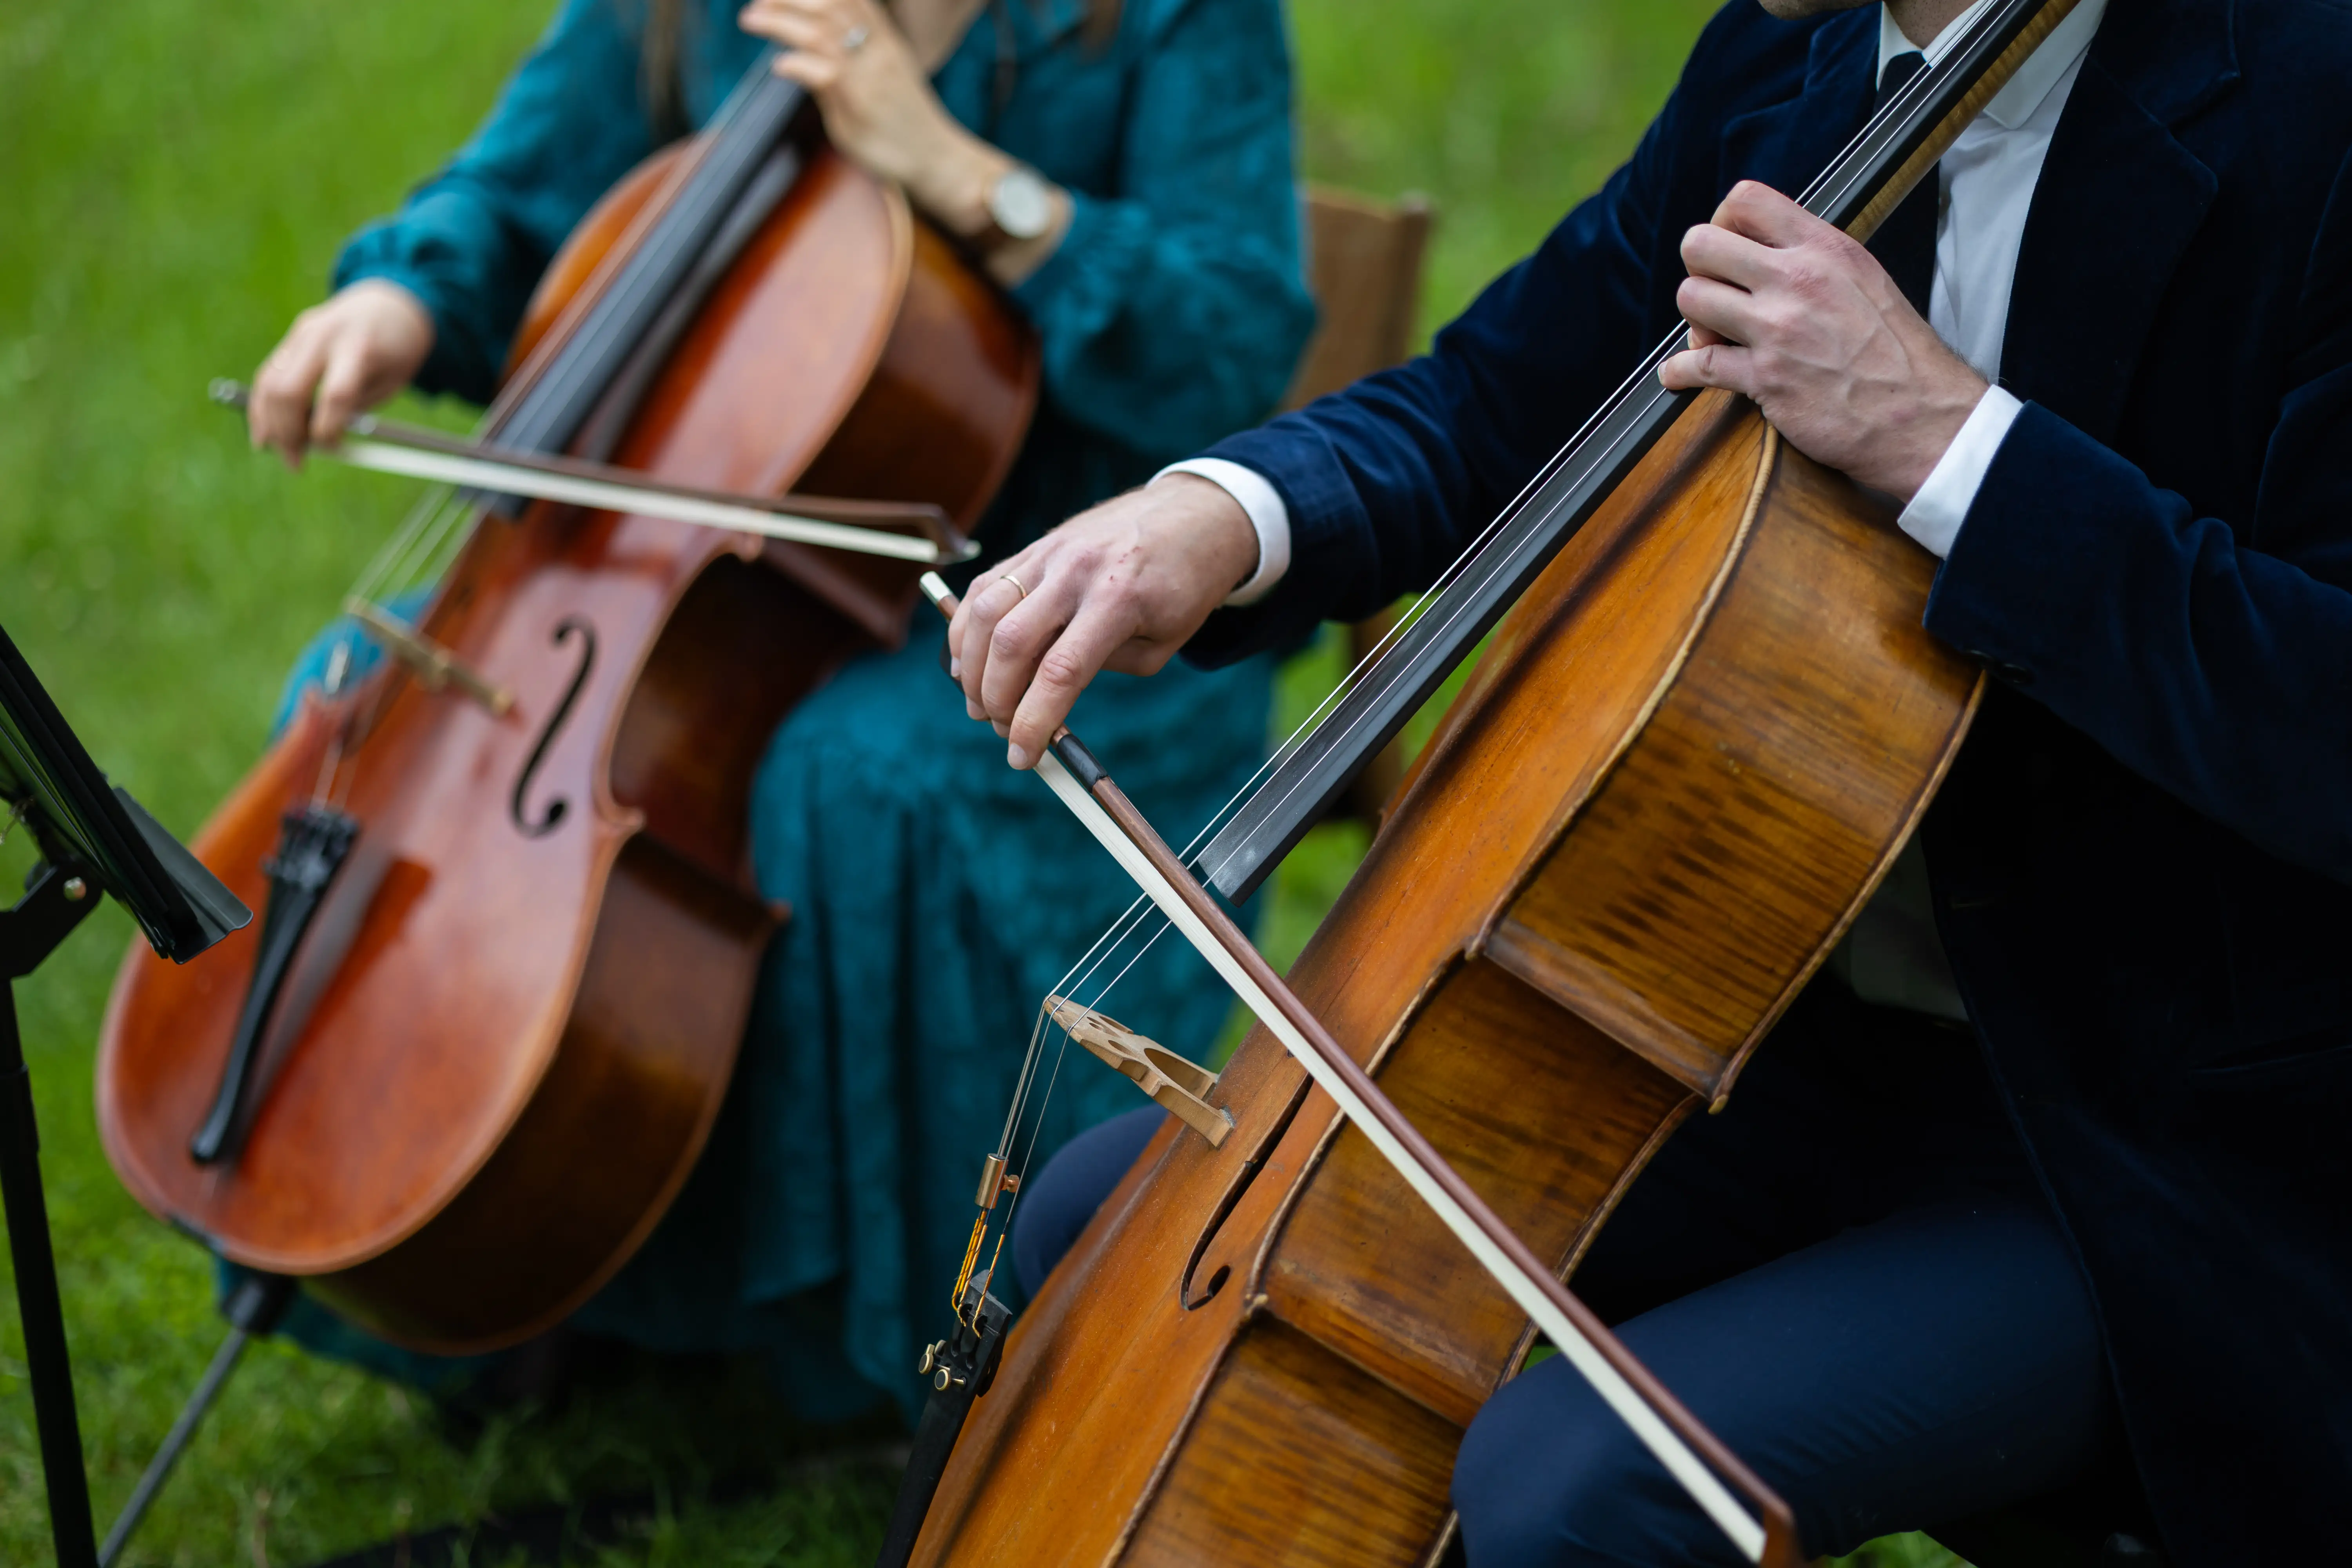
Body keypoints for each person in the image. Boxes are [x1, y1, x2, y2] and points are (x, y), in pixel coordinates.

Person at [959, 0, 2352, 1563]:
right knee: (1116, 1216)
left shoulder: (2313, 101)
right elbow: (1499, 403)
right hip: (1743, 1031)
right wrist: (1218, 517)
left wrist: (1957, 445)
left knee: (1577, 1482)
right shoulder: (1792, 60)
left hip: (2148, 1139)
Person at [239, 0, 1314, 1422]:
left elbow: (1233, 340)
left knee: (856, 778)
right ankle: (557, 1278)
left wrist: (965, 178)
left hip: (1080, 615)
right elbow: (520, 193)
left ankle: (902, 1361)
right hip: (741, 588)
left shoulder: (1179, 18)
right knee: (357, 694)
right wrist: (405, 299)